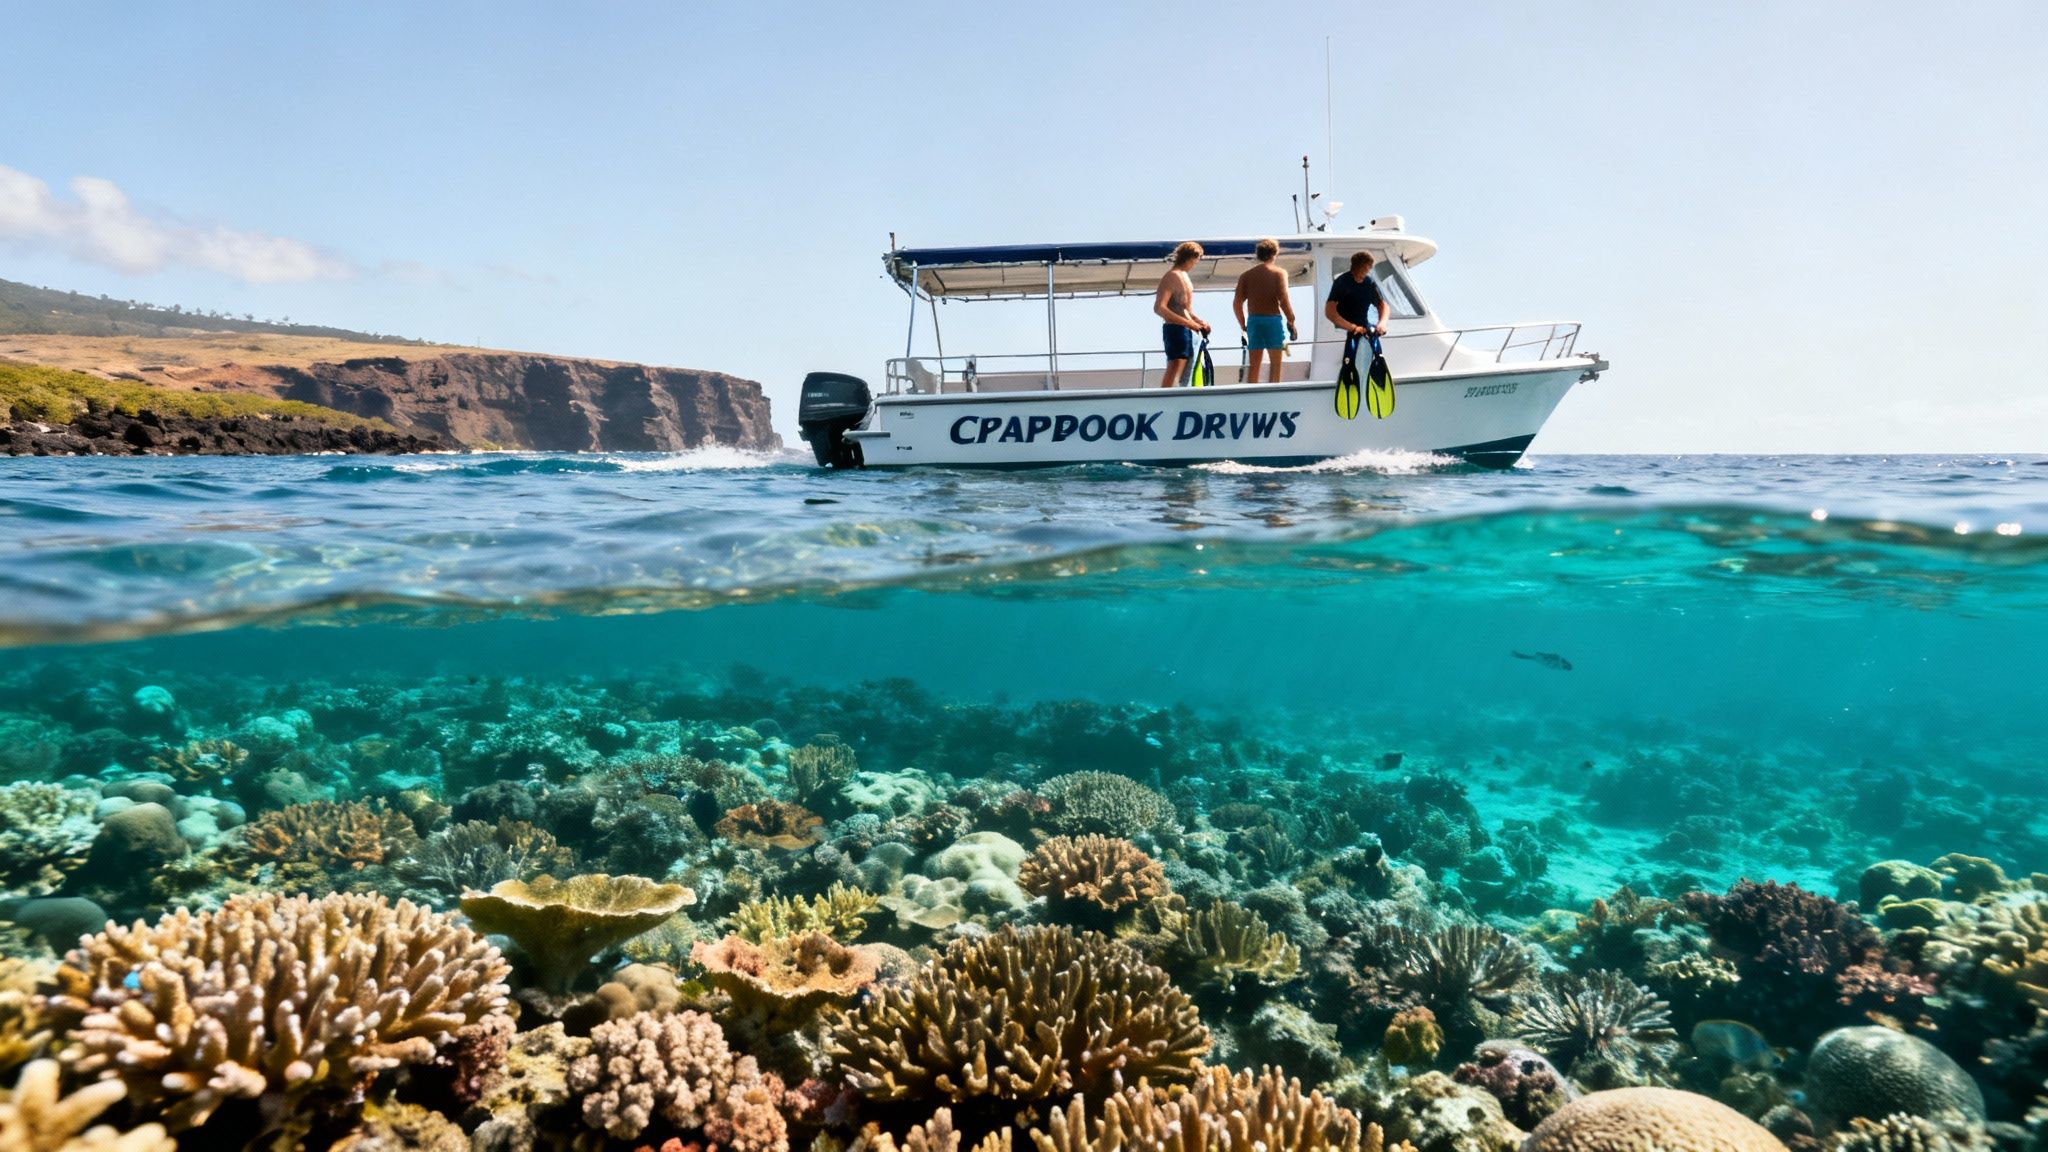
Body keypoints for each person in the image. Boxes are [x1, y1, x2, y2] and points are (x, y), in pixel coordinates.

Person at [1233, 238, 1297, 384]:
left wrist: (1243, 324)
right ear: (1275, 253)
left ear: (1258, 254)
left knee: (1254, 366)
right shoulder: (1279, 273)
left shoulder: (1246, 275)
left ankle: (1252, 393)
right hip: (1272, 320)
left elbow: (1237, 303)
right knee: (1275, 365)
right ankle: (1274, 393)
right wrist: (1291, 319)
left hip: (1254, 321)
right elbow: (1283, 299)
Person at [1153, 241, 1211, 388]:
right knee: (1176, 365)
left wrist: (1199, 322)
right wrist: (1189, 323)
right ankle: (1166, 396)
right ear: (1191, 258)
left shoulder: (1185, 277)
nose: (1196, 263)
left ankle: (1182, 395)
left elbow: (1186, 309)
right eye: (1197, 259)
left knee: (1187, 371)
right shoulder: (1171, 276)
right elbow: (1159, 308)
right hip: (1175, 329)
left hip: (1188, 331)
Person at [1324, 251, 1388, 350]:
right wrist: (1352, 327)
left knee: (1375, 349)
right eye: (1366, 267)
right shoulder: (1342, 282)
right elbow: (1330, 311)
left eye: (1369, 267)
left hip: (1363, 327)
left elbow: (1383, 305)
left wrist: (1382, 323)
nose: (1368, 270)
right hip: (1344, 329)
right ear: (1357, 266)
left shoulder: (1369, 283)